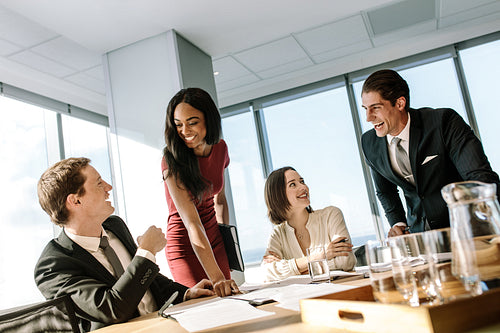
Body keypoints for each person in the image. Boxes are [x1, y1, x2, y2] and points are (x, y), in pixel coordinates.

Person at [34, 157, 214, 332]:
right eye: (98, 183)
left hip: (165, 325)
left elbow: (146, 281)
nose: (108, 187)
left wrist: (186, 293)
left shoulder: (115, 226)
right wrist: (146, 252)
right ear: (75, 201)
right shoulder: (53, 265)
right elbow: (112, 309)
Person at [361, 69, 500, 237]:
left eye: (375, 108)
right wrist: (398, 223)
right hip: (421, 236)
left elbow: (479, 178)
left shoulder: (443, 122)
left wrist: (480, 223)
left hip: (469, 229)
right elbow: (385, 191)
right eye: (366, 109)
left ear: (399, 103)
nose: (369, 117)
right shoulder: (369, 143)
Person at [162, 87, 239, 296]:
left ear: (209, 119)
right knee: (204, 304)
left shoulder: (221, 148)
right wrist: (216, 277)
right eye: (178, 124)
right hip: (185, 243)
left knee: (230, 299)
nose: (185, 131)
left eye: (192, 122)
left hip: (214, 237)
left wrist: (226, 241)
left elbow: (220, 199)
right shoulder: (171, 161)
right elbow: (192, 223)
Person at [261, 166, 356, 281]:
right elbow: (267, 273)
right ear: (278, 195)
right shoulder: (278, 234)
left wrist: (295, 272)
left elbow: (345, 261)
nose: (303, 187)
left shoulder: (331, 215)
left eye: (302, 181)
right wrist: (320, 256)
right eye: (293, 184)